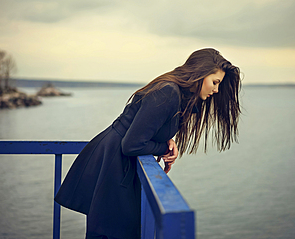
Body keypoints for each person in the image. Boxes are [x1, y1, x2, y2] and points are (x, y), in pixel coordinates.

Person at [54, 48, 241, 239]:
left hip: (117, 159)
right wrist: (163, 149)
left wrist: (166, 140)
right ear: (200, 73)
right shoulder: (168, 92)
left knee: (110, 229)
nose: (216, 90)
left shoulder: (177, 94)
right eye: (215, 82)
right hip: (114, 161)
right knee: (109, 231)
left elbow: (147, 126)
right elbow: (132, 145)